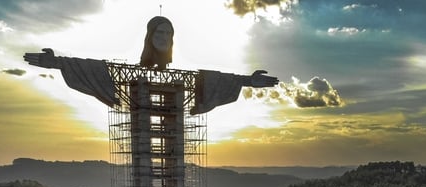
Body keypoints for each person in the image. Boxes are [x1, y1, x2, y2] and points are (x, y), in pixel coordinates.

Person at [23, 16, 278, 115]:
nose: (164, 38)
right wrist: (56, 62)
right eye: (159, 33)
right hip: (140, 114)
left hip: (174, 112)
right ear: (149, 36)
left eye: (168, 34)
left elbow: (216, 79)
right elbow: (93, 69)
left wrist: (247, 80)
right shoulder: (126, 73)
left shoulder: (190, 78)